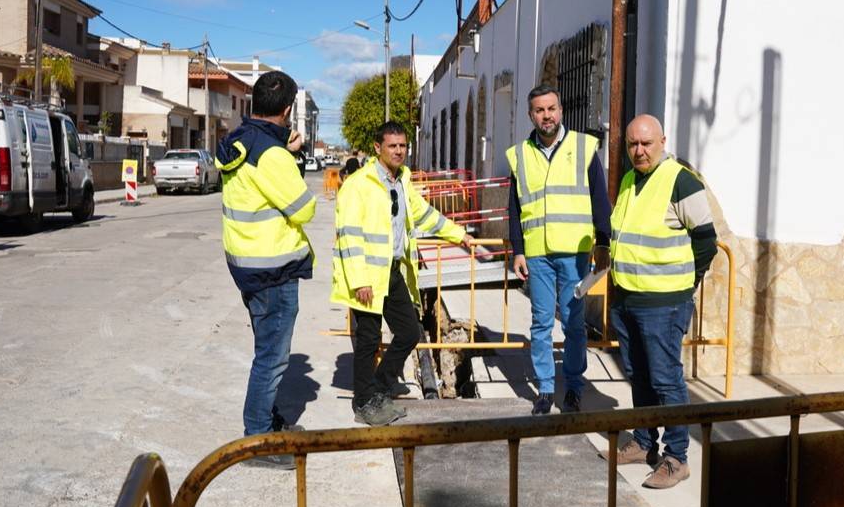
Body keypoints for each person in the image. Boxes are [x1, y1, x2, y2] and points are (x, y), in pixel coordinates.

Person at [603, 114, 718, 489]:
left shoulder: (680, 181)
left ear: (663, 142)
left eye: (646, 143)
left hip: (664, 302)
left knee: (666, 380)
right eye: (632, 144)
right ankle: (643, 442)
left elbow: (706, 241)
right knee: (639, 375)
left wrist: (685, 284)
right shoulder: (629, 180)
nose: (639, 150)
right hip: (628, 298)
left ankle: (676, 458)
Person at [331, 121, 473, 425]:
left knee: (409, 332)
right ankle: (364, 403)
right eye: (392, 146)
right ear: (377, 148)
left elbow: (425, 215)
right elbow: (349, 236)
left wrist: (458, 234)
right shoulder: (359, 184)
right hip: (368, 276)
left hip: (393, 272)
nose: (399, 151)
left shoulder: (403, 181)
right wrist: (360, 280)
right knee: (368, 340)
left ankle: (377, 389)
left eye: (403, 145)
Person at [215, 70, 317, 469]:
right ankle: (257, 440)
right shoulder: (272, 155)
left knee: (266, 350)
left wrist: (282, 151)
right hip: (274, 268)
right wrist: (289, 156)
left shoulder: (239, 140)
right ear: (288, 110)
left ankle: (267, 420)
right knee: (272, 358)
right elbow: (303, 208)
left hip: (248, 263)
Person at [506, 85, 612, 415]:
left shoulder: (583, 147)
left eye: (551, 108)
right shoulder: (520, 155)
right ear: (531, 115)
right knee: (540, 323)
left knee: (572, 322)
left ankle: (574, 388)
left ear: (561, 110)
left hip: (574, 253)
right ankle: (546, 390)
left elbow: (599, 198)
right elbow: (515, 208)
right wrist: (518, 250)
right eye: (539, 110)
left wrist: (603, 241)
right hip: (537, 253)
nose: (546, 115)